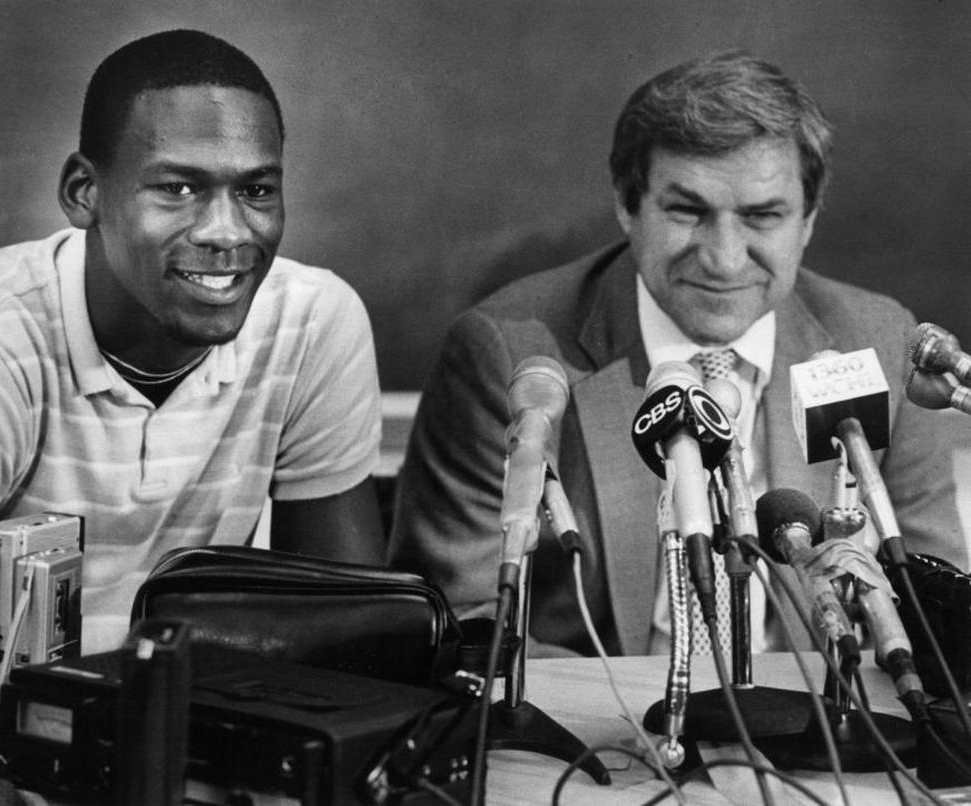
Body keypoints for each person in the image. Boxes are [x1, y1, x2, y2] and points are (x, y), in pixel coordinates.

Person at [0, 29, 384, 799]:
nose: (228, 232)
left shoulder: (314, 322)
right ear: (83, 193)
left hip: (168, 757)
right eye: (178, 188)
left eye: (256, 190)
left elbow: (349, 637)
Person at [389, 51, 971, 658]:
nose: (723, 258)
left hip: (819, 727)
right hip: (601, 734)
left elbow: (938, 601)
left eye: (762, 216)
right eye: (688, 211)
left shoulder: (877, 340)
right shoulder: (504, 352)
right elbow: (467, 621)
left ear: (808, 220)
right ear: (626, 205)